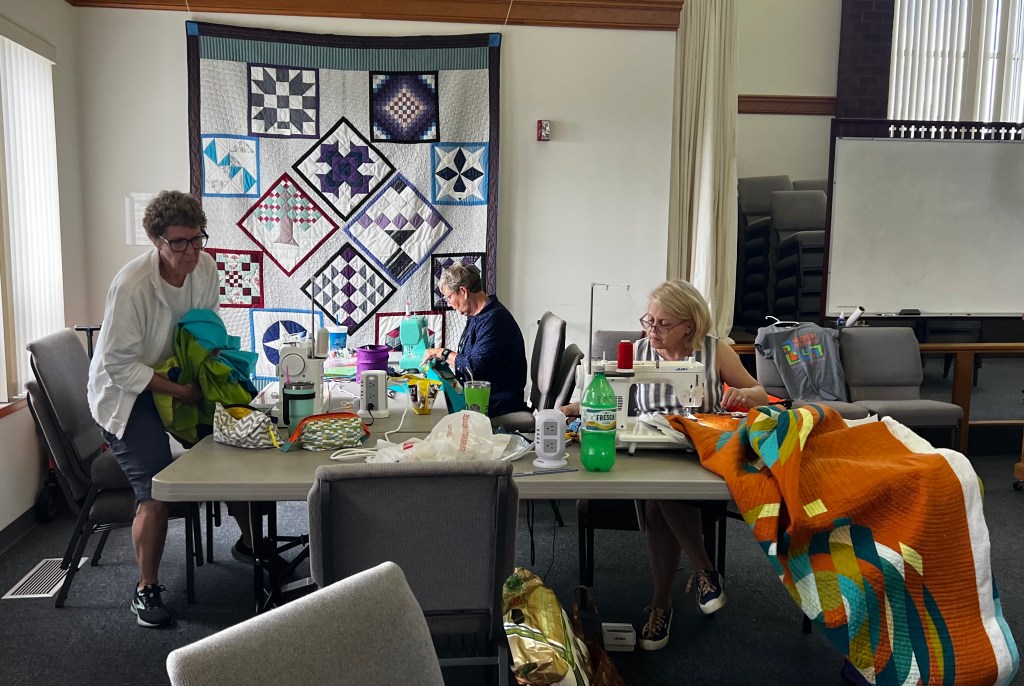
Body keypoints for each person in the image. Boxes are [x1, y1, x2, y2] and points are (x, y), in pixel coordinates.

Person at [563, 279, 769, 651]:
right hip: (651, 451)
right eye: (648, 320)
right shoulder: (638, 351)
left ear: (689, 325)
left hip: (697, 454)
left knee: (660, 498)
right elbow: (607, 390)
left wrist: (742, 394)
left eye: (663, 323)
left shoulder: (715, 351)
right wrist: (573, 408)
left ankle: (662, 605)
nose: (651, 329)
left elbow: (760, 394)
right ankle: (703, 571)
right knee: (660, 495)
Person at [87, 190, 260, 628]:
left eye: (197, 238)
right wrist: (180, 391)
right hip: (127, 393)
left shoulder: (205, 268)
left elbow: (203, 331)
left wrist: (219, 378)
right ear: (156, 240)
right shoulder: (131, 286)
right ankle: (145, 588)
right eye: (179, 242)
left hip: (178, 377)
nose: (191, 251)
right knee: (157, 488)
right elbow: (119, 365)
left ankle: (252, 545)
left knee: (232, 448)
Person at [422, 263, 528, 417]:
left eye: (449, 297)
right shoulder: (477, 316)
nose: (449, 304)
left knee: (432, 414)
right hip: (480, 396)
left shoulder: (494, 320)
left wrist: (443, 353)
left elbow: (473, 368)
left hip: (494, 404)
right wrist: (445, 359)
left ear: (463, 291)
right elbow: (472, 357)